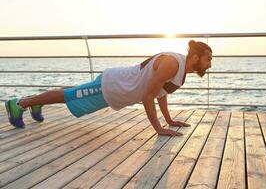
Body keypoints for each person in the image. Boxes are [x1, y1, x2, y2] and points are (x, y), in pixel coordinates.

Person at [5, 40, 212, 136]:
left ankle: (34, 103)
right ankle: (19, 104)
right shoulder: (172, 64)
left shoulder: (180, 71)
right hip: (112, 85)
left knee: (70, 96)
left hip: (116, 92)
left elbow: (160, 93)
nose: (209, 65)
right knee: (68, 96)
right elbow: (148, 97)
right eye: (208, 59)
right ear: (195, 57)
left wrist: (169, 120)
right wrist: (159, 129)